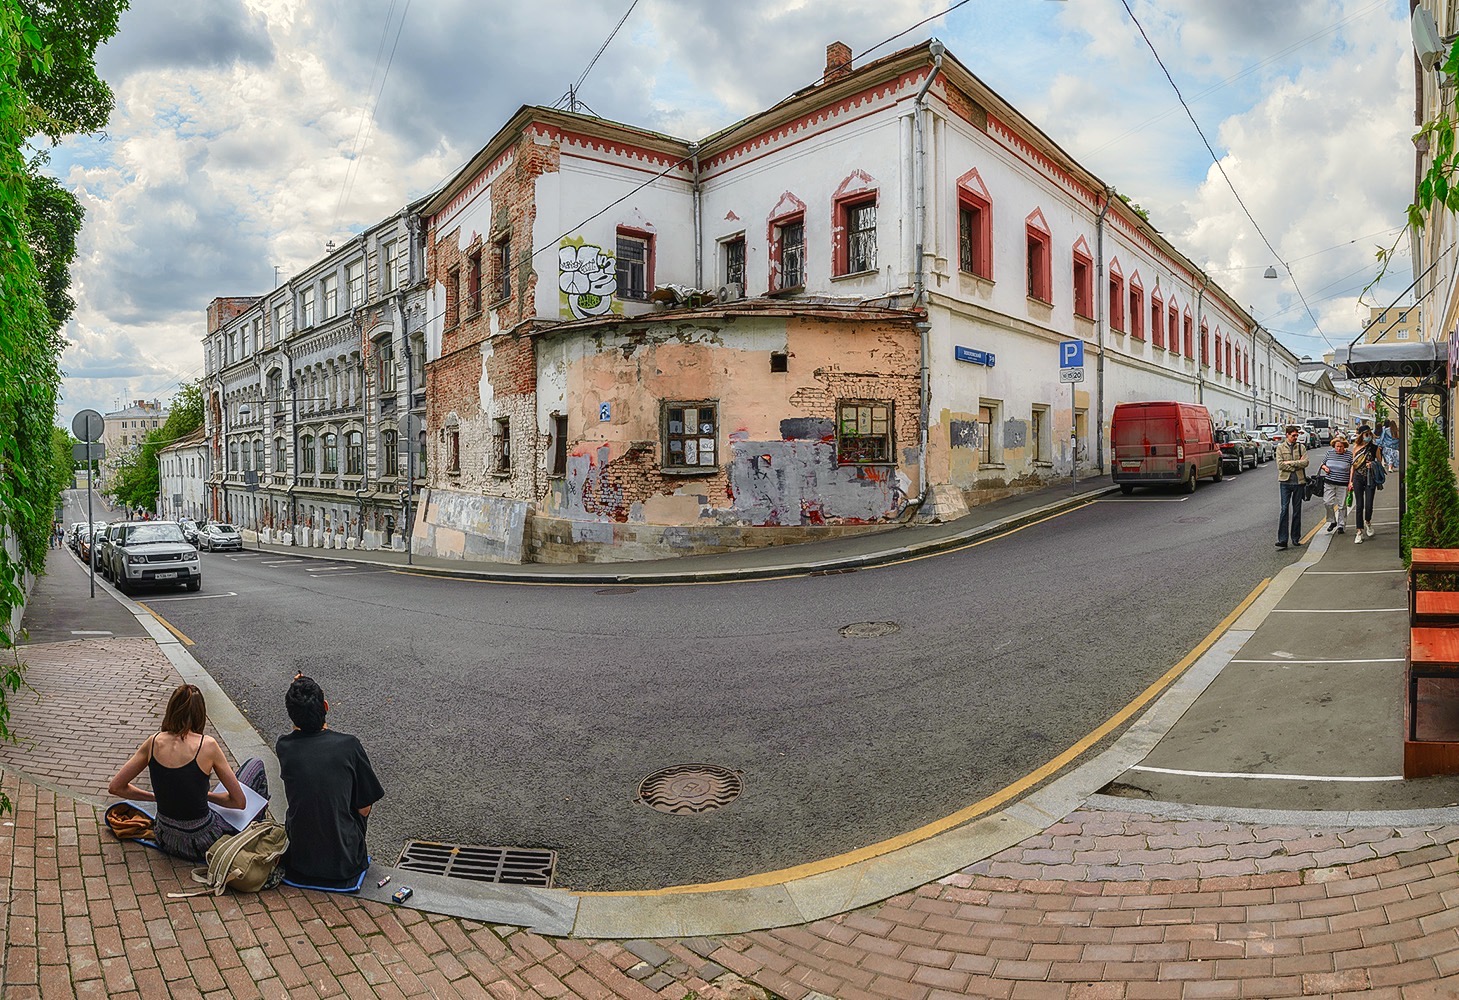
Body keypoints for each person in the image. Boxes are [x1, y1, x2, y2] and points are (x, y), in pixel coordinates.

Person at [108, 683, 269, 861]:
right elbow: (239, 802)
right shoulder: (207, 745)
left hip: (166, 837)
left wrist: (155, 797)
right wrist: (205, 796)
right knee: (255, 765)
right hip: (202, 841)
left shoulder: (153, 742)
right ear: (201, 714)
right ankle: (255, 829)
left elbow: (116, 787)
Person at [276, 674, 384, 890]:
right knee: (358, 803)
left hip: (301, 860)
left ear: (291, 715)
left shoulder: (284, 747)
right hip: (345, 862)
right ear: (326, 706)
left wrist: (296, 692)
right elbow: (364, 808)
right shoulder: (349, 745)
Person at [1275, 425, 1308, 549]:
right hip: (1285, 482)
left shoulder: (1301, 447)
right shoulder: (1280, 448)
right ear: (1287, 435)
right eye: (1293, 435)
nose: (1296, 437)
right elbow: (1280, 465)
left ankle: (1295, 538)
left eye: (1297, 435)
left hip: (1299, 482)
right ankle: (1282, 539)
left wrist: (1289, 463)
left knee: (1297, 511)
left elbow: (1305, 462)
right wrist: (1295, 466)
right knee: (1284, 510)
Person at [1349, 428, 1381, 543]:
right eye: (1366, 434)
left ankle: (1368, 521)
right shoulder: (1356, 447)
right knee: (1359, 505)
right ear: (1361, 435)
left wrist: (1372, 464)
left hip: (1370, 478)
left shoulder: (1374, 448)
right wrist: (1350, 481)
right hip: (1358, 477)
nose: (1368, 436)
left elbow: (1379, 464)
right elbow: (1353, 465)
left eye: (1369, 434)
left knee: (1368, 505)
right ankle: (1359, 531)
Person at [1318, 433, 1353, 535]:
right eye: (1337, 446)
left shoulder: (1349, 455)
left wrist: (1351, 482)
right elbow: (1322, 464)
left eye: (1341, 447)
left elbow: (1352, 469)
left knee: (1342, 506)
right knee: (1327, 502)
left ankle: (1341, 525)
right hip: (1329, 482)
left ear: (1345, 446)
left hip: (1343, 483)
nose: (1339, 449)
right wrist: (1325, 468)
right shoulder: (1329, 453)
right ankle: (1332, 521)